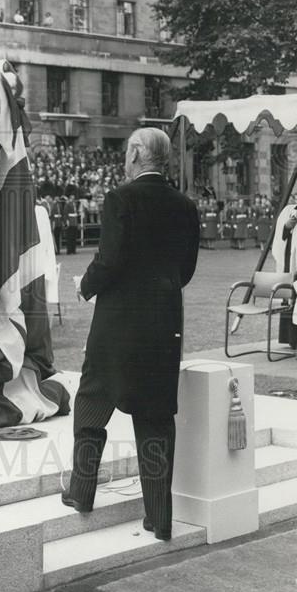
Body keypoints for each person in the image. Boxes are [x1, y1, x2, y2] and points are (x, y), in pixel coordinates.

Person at [64, 127, 199, 541]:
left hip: (118, 324)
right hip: (163, 323)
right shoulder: (185, 206)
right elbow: (185, 270)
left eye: (126, 152)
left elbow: (110, 260)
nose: (124, 159)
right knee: (156, 417)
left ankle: (82, 492)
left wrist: (84, 285)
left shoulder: (120, 199)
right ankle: (159, 517)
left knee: (91, 405)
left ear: (138, 154)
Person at [271, 195, 297, 349]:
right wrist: (287, 227)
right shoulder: (289, 210)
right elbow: (281, 235)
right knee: (290, 297)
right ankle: (290, 338)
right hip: (291, 262)